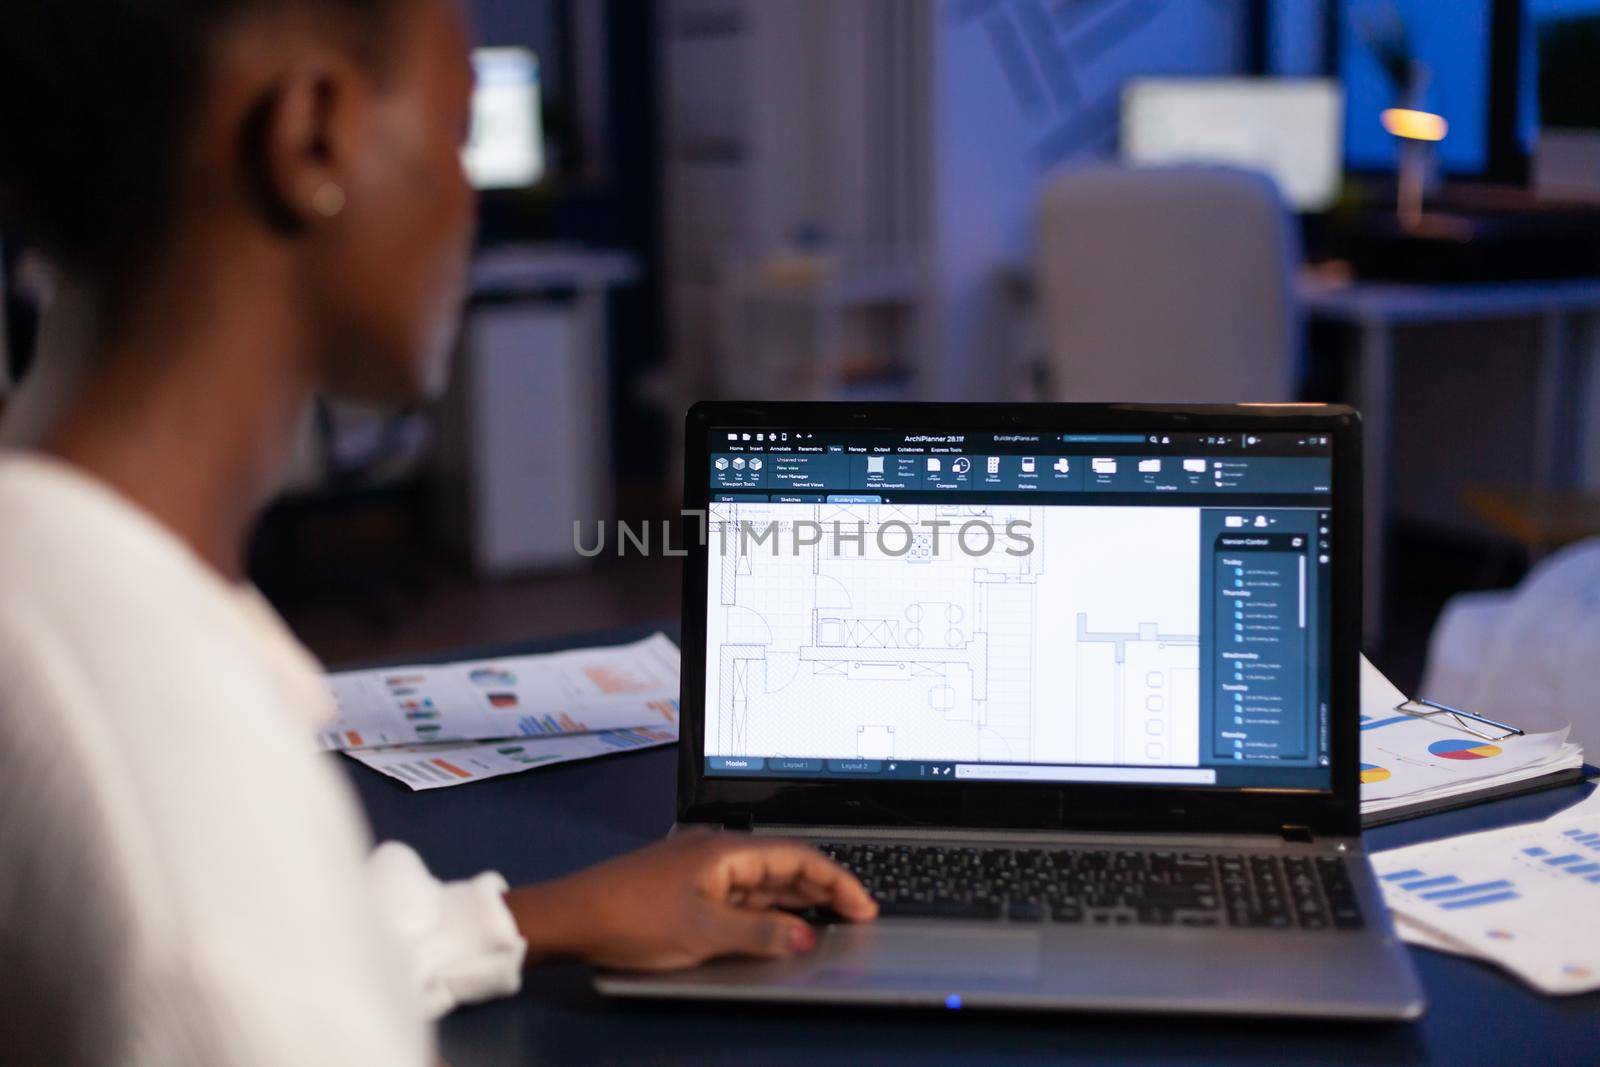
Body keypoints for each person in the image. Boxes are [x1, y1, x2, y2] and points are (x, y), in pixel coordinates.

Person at [0, 1, 876, 1063]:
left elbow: (292, 942)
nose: (469, 204)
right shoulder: (186, 828)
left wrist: (530, 916)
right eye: (458, 137)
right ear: (313, 134)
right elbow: (237, 960)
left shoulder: (48, 586)